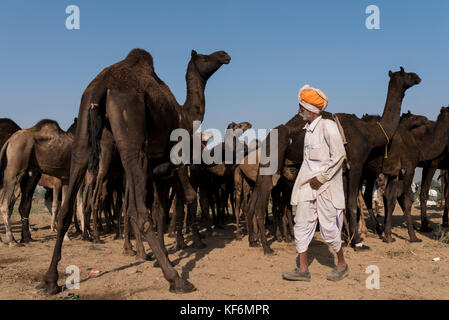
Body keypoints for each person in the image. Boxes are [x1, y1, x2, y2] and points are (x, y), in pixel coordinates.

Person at [282, 84, 348, 282]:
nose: (299, 110)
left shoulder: (328, 126)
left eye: (301, 107)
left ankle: (342, 265)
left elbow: (339, 155)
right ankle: (303, 271)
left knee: (329, 229)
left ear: (310, 110)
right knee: (301, 225)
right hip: (307, 187)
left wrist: (321, 178)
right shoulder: (308, 131)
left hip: (325, 187)